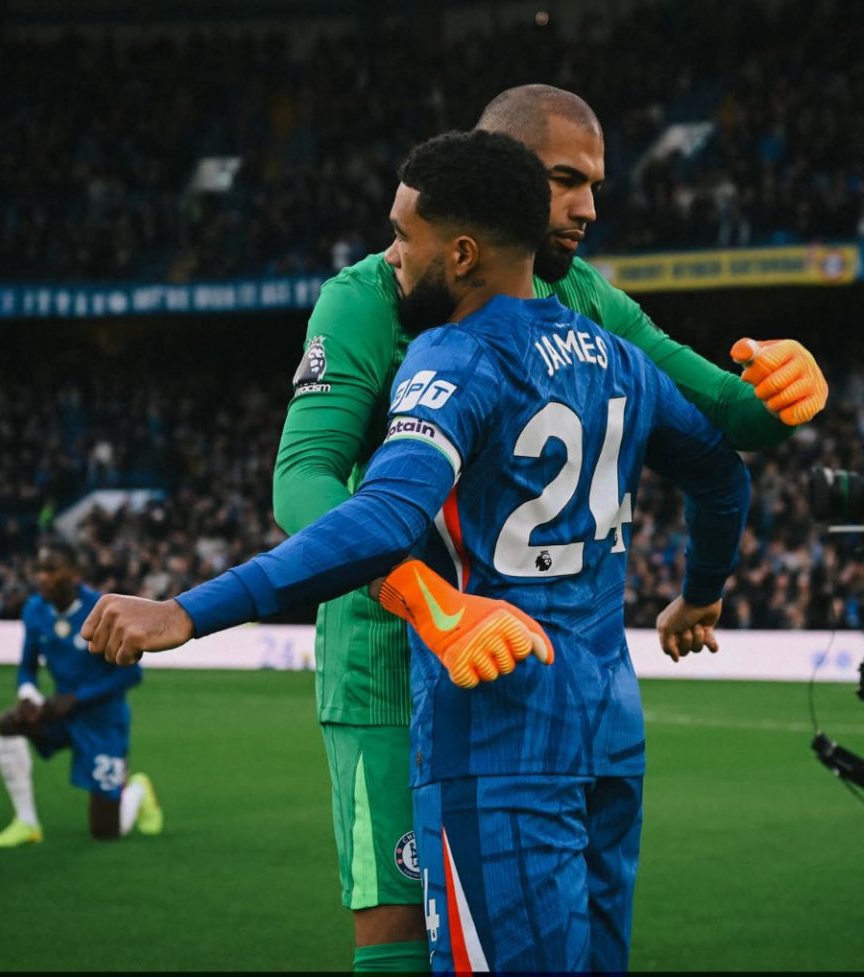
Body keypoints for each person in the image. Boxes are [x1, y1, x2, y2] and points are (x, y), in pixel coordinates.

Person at [81, 129, 751, 971]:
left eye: (404, 236)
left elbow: (385, 517)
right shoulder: (617, 356)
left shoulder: (454, 353)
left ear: (462, 254)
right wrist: (701, 589)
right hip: (607, 725)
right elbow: (724, 477)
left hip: (495, 728)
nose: (391, 256)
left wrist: (188, 611)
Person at [268, 83, 827, 973]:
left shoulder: (587, 299)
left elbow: (722, 418)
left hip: (528, 687)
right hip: (387, 664)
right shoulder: (368, 298)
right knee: (403, 936)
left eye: (594, 184)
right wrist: (414, 590)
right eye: (566, 180)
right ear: (500, 178)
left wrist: (784, 388)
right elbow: (302, 475)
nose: (588, 207)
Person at [0, 541, 162, 847]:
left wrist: (77, 699)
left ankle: (136, 791)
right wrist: (28, 695)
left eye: (51, 570)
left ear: (74, 573)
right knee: (9, 723)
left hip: (103, 721)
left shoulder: (102, 611)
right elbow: (27, 668)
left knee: (105, 832)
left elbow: (132, 674)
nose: (42, 577)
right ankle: (26, 822)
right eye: (39, 569)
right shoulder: (34, 610)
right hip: (60, 712)